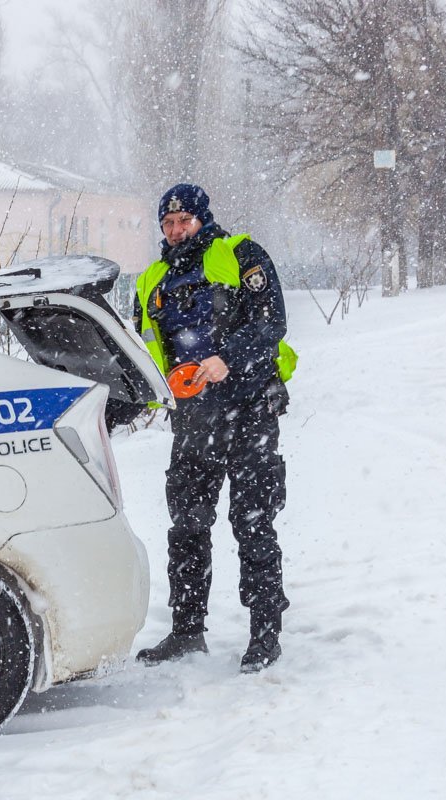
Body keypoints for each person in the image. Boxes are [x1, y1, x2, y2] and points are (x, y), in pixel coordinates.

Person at [132, 183, 290, 674]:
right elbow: (143, 351)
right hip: (195, 421)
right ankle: (186, 631)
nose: (176, 231)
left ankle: (265, 634)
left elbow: (272, 325)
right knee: (187, 525)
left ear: (202, 219)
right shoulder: (151, 280)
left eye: (184, 222)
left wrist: (228, 360)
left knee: (251, 522)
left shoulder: (241, 254)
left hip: (249, 413)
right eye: (168, 224)